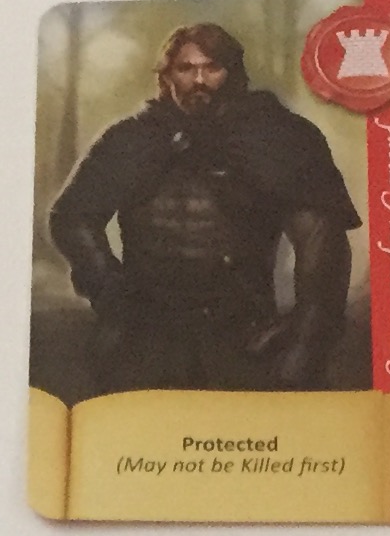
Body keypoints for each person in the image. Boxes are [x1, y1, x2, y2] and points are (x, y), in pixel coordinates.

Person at [47, 21, 361, 395]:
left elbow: (321, 244)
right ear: (167, 76)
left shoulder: (277, 139)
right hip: (145, 333)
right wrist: (113, 293)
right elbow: (72, 217)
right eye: (186, 68)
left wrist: (306, 343)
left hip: (243, 332)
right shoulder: (130, 139)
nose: (199, 80)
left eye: (212, 67)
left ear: (233, 72)